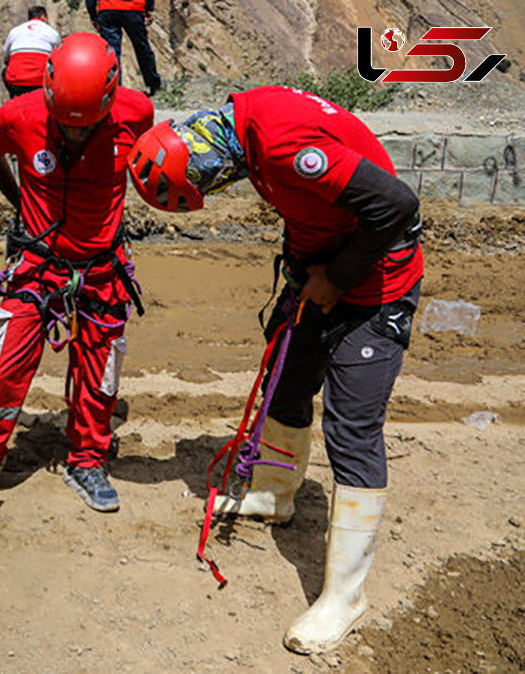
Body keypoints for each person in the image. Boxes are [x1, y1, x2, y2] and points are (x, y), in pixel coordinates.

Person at [126, 85, 424, 654]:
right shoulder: (245, 122)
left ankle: (345, 597)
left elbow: (397, 205)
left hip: (376, 287)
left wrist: (336, 279)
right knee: (285, 388)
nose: (220, 189)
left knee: (352, 430)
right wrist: (303, 271)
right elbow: (310, 200)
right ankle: (276, 493)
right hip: (317, 270)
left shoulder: (284, 145)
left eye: (207, 185)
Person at [0, 33, 153, 513]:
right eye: (64, 128)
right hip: (37, 265)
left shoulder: (136, 113)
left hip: (102, 270)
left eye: (84, 128)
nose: (71, 136)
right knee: (3, 369)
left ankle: (86, 460)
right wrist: (18, 202)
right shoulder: (19, 117)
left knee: (99, 375)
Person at [86, 0, 161, 97]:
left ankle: (115, 91)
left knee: (112, 54)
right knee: (142, 48)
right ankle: (153, 84)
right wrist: (149, 8)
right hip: (134, 8)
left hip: (108, 8)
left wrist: (93, 14)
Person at [1, 6, 61, 98]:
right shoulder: (52, 32)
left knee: (5, 71)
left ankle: (14, 100)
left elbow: (6, 53)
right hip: (40, 82)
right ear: (43, 17)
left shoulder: (15, 31)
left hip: (17, 82)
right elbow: (58, 55)